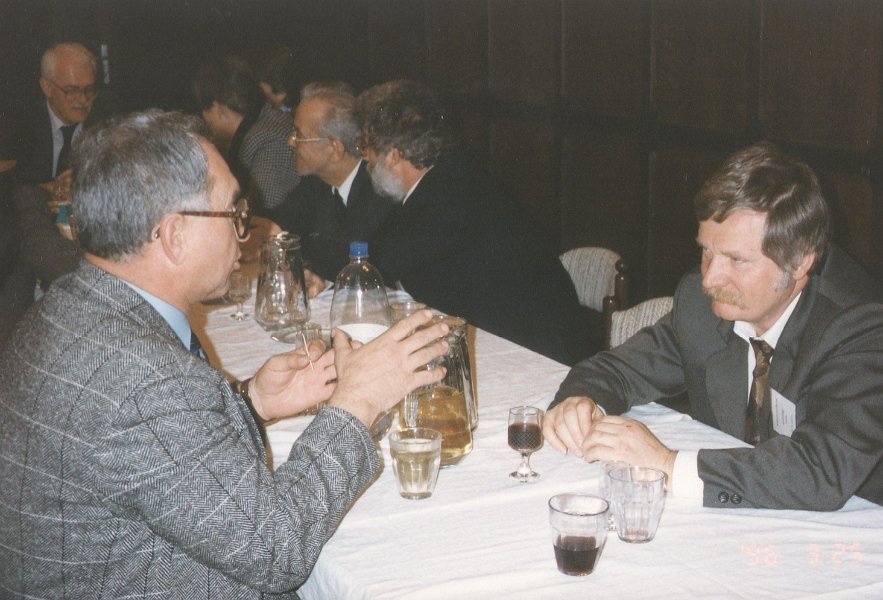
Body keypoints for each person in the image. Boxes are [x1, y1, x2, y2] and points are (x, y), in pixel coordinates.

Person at [0, 110, 449, 597]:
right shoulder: (143, 376)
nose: (245, 233)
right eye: (234, 213)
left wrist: (251, 401)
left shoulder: (63, 308)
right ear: (174, 236)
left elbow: (149, 459)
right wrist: (358, 402)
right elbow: (278, 548)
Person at [544, 142, 883, 511]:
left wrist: (667, 465)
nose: (709, 278)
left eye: (737, 260)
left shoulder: (860, 327)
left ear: (800, 263)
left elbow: (820, 472)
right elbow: (618, 370)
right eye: (707, 251)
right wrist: (580, 401)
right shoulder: (701, 303)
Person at [355, 79, 594, 365]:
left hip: (537, 354)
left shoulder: (445, 193)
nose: (364, 158)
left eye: (366, 146)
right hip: (517, 334)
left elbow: (379, 260)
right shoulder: (451, 174)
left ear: (394, 154)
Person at [272, 81, 393, 294]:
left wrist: (317, 273)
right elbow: (281, 227)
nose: (290, 141)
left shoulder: (378, 189)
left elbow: (347, 258)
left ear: (335, 149)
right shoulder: (316, 182)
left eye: (299, 134)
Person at [193, 56, 299, 215]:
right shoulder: (264, 124)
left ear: (218, 109)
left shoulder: (268, 139)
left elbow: (264, 214)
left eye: (204, 110)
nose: (204, 119)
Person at [14, 42, 104, 201]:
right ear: (47, 87)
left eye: (89, 89)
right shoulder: (20, 125)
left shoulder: (107, 123)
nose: (84, 99)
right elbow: (10, 184)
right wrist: (44, 190)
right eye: (72, 90)